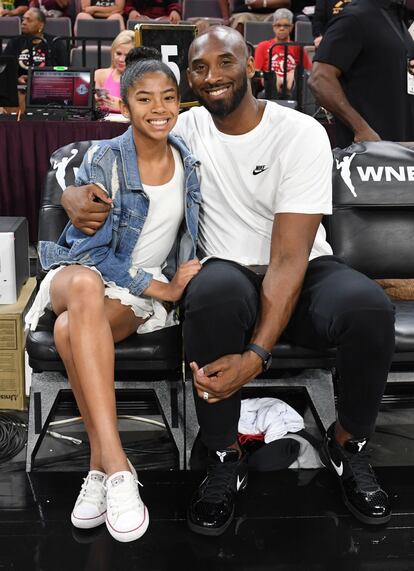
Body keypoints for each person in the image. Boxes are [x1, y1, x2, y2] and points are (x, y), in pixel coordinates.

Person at [60, 26, 395, 535]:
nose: (213, 76)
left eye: (225, 62)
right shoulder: (184, 125)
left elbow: (288, 260)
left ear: (252, 68)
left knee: (368, 308)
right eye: (200, 67)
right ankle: (222, 453)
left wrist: (255, 356)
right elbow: (108, 150)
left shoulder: (300, 130)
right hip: (226, 268)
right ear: (189, 78)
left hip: (299, 266)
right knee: (212, 295)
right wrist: (71, 193)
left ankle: (348, 445)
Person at [25, 47, 202, 542]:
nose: (159, 108)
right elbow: (95, 255)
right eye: (145, 99)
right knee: (81, 286)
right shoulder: (106, 159)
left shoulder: (190, 161)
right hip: (80, 270)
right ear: (125, 106)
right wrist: (162, 287)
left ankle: (99, 470)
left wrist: (175, 282)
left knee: (68, 330)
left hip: (130, 294)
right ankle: (122, 468)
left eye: (169, 97)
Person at [309, 0, 414, 148]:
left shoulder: (397, 18)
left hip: (402, 147)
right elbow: (320, 79)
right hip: (369, 153)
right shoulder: (355, 17)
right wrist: (361, 129)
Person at [254, 8, 311, 96]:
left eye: (286, 25)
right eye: (278, 25)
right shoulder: (263, 46)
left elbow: (308, 71)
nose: (282, 28)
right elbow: (256, 73)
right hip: (269, 88)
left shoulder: (298, 47)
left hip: (293, 88)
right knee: (272, 77)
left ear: (291, 27)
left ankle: (288, 92)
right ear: (273, 27)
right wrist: (267, 77)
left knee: (292, 75)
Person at [3, 7, 68, 84]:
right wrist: (16, 79)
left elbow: (64, 70)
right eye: (23, 19)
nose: (23, 22)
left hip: (48, 87)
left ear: (41, 25)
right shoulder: (15, 42)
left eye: (29, 20)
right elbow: (4, 69)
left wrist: (37, 79)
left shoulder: (55, 43)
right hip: (19, 89)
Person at [94, 30, 134, 113]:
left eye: (127, 56)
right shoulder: (99, 75)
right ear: (113, 52)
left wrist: (122, 106)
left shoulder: (143, 80)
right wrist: (93, 102)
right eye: (118, 53)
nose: (121, 59)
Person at [219, 0, 290, 34]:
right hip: (244, 13)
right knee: (242, 19)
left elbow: (286, 2)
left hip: (271, 13)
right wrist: (226, 18)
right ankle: (239, 52)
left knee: (282, 20)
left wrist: (264, 3)